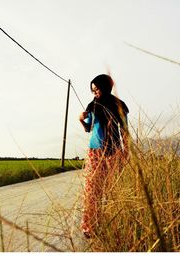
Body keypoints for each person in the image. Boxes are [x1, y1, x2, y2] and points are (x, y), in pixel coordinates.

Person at [79, 74, 129, 238]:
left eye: (97, 89)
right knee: (92, 189)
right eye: (92, 90)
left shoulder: (118, 105)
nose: (94, 93)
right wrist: (81, 120)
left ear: (106, 87)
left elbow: (125, 131)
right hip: (94, 151)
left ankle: (114, 225)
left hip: (113, 151)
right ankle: (89, 226)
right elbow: (89, 128)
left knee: (112, 189)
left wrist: (126, 152)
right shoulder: (92, 105)